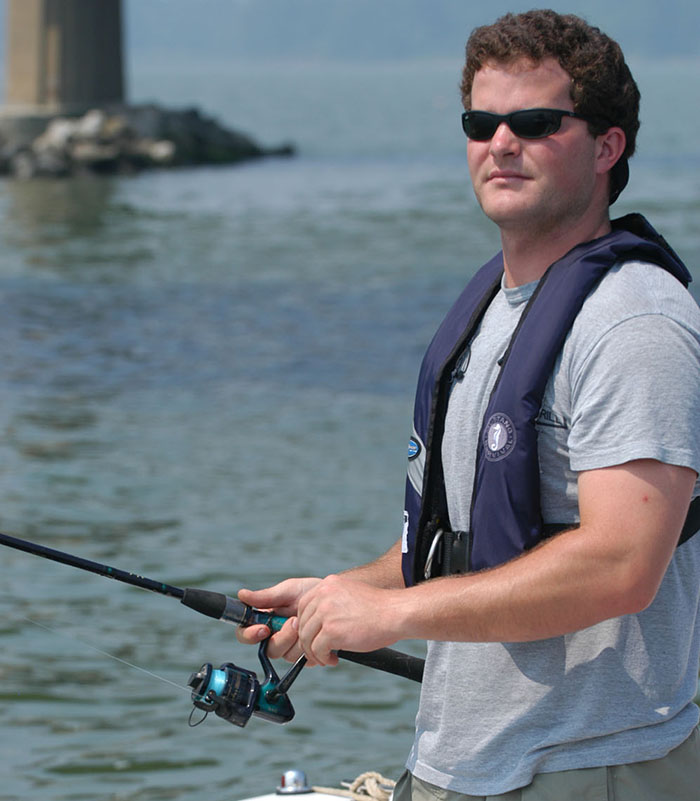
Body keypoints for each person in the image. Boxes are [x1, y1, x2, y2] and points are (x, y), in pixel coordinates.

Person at [238, 10, 700, 801]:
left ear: (607, 145)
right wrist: (341, 595)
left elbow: (623, 564)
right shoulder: (497, 310)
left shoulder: (636, 323)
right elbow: (464, 541)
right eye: (482, 123)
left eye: (535, 122)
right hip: (467, 761)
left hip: (591, 763)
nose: (501, 142)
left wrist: (393, 617)